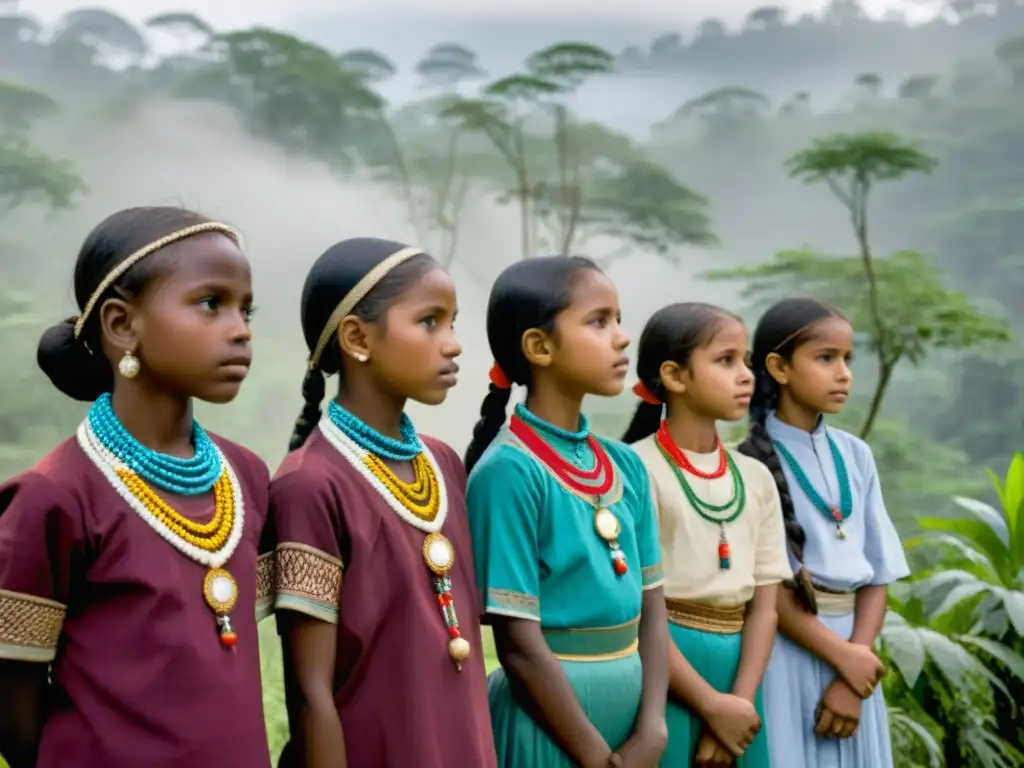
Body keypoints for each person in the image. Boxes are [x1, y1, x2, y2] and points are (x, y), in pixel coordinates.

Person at [0, 207, 273, 768]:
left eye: (246, 309)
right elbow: (12, 704)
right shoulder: (54, 496)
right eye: (210, 303)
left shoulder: (247, 476)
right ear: (122, 325)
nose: (240, 328)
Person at [270, 238, 495, 768]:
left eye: (453, 323)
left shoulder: (443, 465)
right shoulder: (309, 485)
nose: (454, 344)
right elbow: (309, 694)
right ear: (356, 337)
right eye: (429, 322)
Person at [464, 256, 669, 768]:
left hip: (633, 726)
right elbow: (517, 644)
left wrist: (654, 728)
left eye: (618, 319)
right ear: (540, 347)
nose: (622, 337)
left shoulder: (626, 465)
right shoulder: (508, 473)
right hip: (552, 729)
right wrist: (596, 757)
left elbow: (652, 607)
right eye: (599, 321)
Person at [737, 297, 909, 767]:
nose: (844, 373)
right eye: (826, 358)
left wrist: (854, 669)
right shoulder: (746, 463)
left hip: (855, 653)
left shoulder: (856, 454)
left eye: (847, 359)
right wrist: (846, 660)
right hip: (784, 654)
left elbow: (878, 573)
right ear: (778, 367)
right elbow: (766, 590)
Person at [622, 303, 792, 768]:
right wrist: (709, 705)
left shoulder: (756, 477)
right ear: (674, 376)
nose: (746, 375)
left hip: (742, 671)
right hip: (665, 668)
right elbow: (636, 605)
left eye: (746, 361)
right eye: (725, 360)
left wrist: (737, 706)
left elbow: (765, 607)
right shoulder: (633, 469)